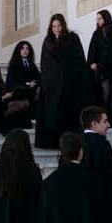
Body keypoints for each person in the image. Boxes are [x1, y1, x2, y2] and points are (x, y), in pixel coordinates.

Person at [36, 15, 89, 150]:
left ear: (63, 25)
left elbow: (78, 60)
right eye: (54, 26)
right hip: (52, 87)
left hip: (69, 85)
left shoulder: (72, 38)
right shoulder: (47, 41)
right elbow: (45, 64)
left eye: (59, 26)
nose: (57, 29)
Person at [4, 40, 40, 128]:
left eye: (27, 49)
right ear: (19, 50)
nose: (25, 51)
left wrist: (35, 83)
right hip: (19, 92)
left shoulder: (31, 64)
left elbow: (38, 77)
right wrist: (27, 84)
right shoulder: (14, 64)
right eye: (22, 48)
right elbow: (11, 82)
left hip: (30, 92)